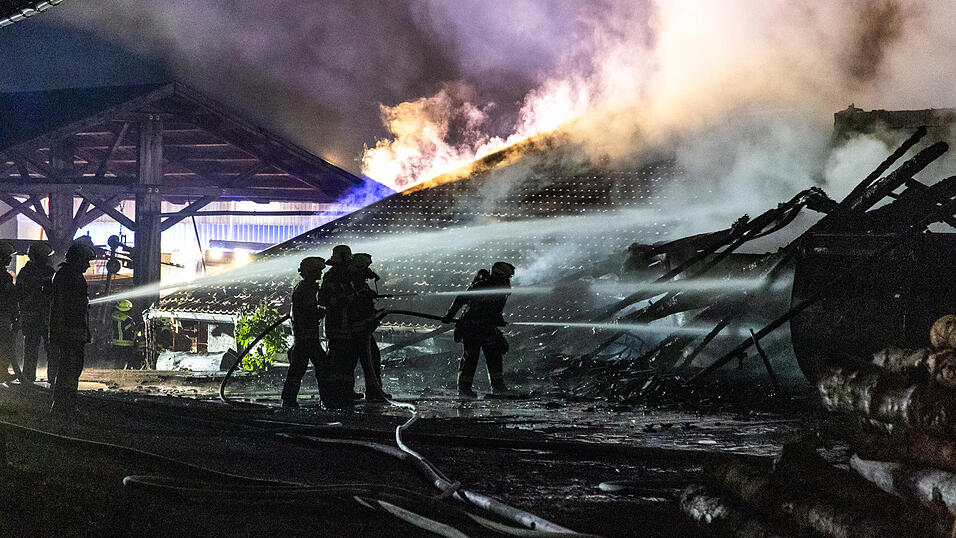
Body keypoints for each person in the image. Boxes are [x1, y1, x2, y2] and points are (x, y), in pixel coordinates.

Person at [319, 245, 386, 406]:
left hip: (353, 328)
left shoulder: (349, 277)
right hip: (339, 329)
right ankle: (341, 395)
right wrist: (355, 296)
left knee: (370, 357)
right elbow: (324, 300)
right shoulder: (331, 277)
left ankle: (369, 392)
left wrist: (364, 294)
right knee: (343, 364)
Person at [442, 261, 515, 398]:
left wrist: (497, 320)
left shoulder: (501, 289)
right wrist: (449, 315)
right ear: (499, 275)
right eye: (507, 277)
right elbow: (461, 299)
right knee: (471, 358)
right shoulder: (481, 286)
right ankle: (464, 390)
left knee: (494, 355)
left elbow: (492, 309)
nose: (508, 280)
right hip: (471, 327)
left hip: (487, 327)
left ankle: (498, 387)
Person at [49, 240, 96, 417]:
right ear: (77, 260)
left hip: (73, 329)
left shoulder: (69, 275)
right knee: (69, 368)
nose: (87, 265)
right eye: (85, 261)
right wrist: (63, 330)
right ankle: (63, 407)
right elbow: (62, 306)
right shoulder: (68, 276)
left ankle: (64, 406)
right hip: (69, 331)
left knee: (71, 368)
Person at [281, 256, 329, 408]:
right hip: (306, 337)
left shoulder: (304, 287)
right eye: (318, 271)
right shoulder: (306, 289)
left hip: (304, 337)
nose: (321, 274)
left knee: (302, 369)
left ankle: (289, 400)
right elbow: (310, 313)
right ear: (311, 272)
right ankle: (326, 400)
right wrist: (323, 311)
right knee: (317, 368)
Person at [16, 241, 55, 383]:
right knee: (50, 348)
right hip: (45, 316)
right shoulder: (49, 272)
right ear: (42, 256)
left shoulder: (24, 273)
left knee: (31, 347)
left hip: (31, 315)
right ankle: (53, 377)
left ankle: (28, 377)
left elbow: (19, 294)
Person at [0, 240, 18, 383]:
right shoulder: (4, 277)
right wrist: (14, 314)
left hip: (4, 315)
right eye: (7, 256)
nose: (10, 259)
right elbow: (10, 298)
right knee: (4, 345)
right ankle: (2, 373)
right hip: (3, 316)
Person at [108, 299, 140, 369]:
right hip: (126, 344)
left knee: (117, 361)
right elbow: (131, 332)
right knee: (127, 362)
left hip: (115, 343)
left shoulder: (113, 315)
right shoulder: (127, 319)